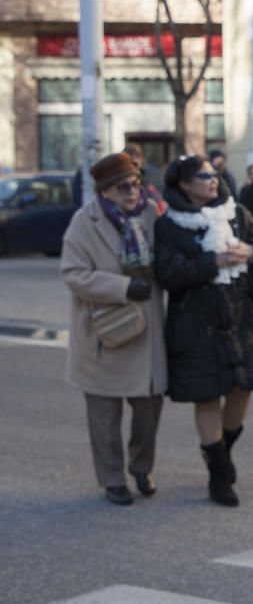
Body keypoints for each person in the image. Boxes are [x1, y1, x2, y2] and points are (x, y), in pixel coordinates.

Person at [155, 155, 253, 507]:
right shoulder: (169, 225)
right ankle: (219, 474)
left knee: (244, 387)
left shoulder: (235, 211)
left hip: (240, 316)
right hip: (195, 323)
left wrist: (252, 250)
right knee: (207, 396)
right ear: (184, 184)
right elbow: (168, 274)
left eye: (214, 174)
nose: (213, 180)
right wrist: (212, 263)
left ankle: (219, 452)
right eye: (204, 175)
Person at [60, 152, 167, 505]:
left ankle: (141, 466)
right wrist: (121, 287)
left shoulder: (152, 214)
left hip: (147, 331)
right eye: (124, 187)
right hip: (104, 333)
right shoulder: (83, 221)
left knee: (149, 409)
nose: (133, 191)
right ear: (105, 191)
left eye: (136, 183)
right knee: (104, 416)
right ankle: (111, 479)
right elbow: (73, 275)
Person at [123, 143, 166, 214]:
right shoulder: (119, 182)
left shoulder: (149, 180)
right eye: (130, 157)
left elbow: (159, 202)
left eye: (137, 156)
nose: (135, 160)